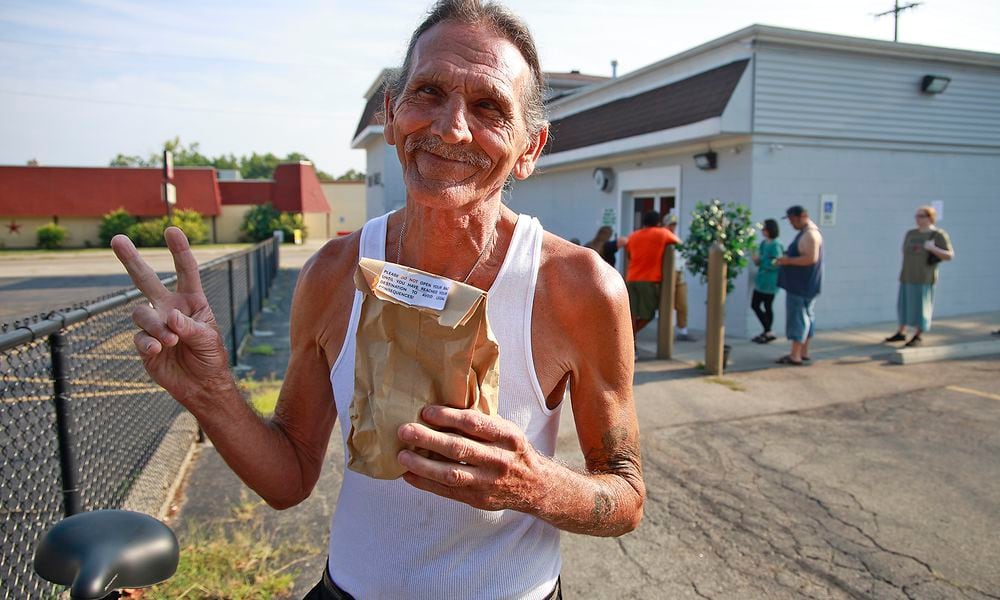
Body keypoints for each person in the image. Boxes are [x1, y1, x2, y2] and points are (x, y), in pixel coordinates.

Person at [111, 2, 644, 599]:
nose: (451, 127)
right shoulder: (333, 274)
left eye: (489, 106)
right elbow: (288, 477)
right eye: (428, 92)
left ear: (529, 147)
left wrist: (535, 485)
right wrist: (209, 392)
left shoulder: (578, 288)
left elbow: (623, 495)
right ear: (392, 114)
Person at [883, 205, 954, 347]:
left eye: (921, 216)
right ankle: (901, 332)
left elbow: (949, 255)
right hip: (907, 275)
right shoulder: (911, 233)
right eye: (916, 216)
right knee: (904, 305)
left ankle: (918, 335)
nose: (917, 219)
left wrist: (933, 248)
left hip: (924, 277)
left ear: (930, 218)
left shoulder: (938, 234)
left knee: (921, 307)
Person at [774, 205, 823, 366]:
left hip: (801, 285)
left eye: (793, 220)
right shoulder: (808, 233)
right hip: (805, 284)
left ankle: (795, 355)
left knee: (798, 318)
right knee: (807, 316)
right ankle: (803, 352)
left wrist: (788, 261)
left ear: (802, 216)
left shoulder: (810, 235)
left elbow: (810, 258)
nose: (791, 224)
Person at [622, 211, 680, 338]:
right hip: (648, 279)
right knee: (649, 314)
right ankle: (627, 338)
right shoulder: (662, 233)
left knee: (632, 313)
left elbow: (629, 254)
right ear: (658, 222)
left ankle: (629, 341)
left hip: (631, 278)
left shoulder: (633, 236)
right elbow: (678, 243)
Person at [750, 218, 784, 344]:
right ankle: (767, 330)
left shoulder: (776, 245)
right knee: (756, 305)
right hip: (761, 279)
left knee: (767, 305)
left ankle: (768, 331)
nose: (763, 231)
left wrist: (763, 262)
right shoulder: (764, 243)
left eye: (765, 228)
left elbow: (776, 262)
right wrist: (756, 258)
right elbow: (760, 260)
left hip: (770, 280)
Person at [664, 214, 695, 341]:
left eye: (674, 225)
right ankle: (667, 332)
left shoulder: (677, 240)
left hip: (680, 274)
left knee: (682, 304)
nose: (672, 227)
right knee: (668, 304)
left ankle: (683, 330)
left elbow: (684, 257)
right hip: (668, 274)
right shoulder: (663, 239)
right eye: (670, 224)